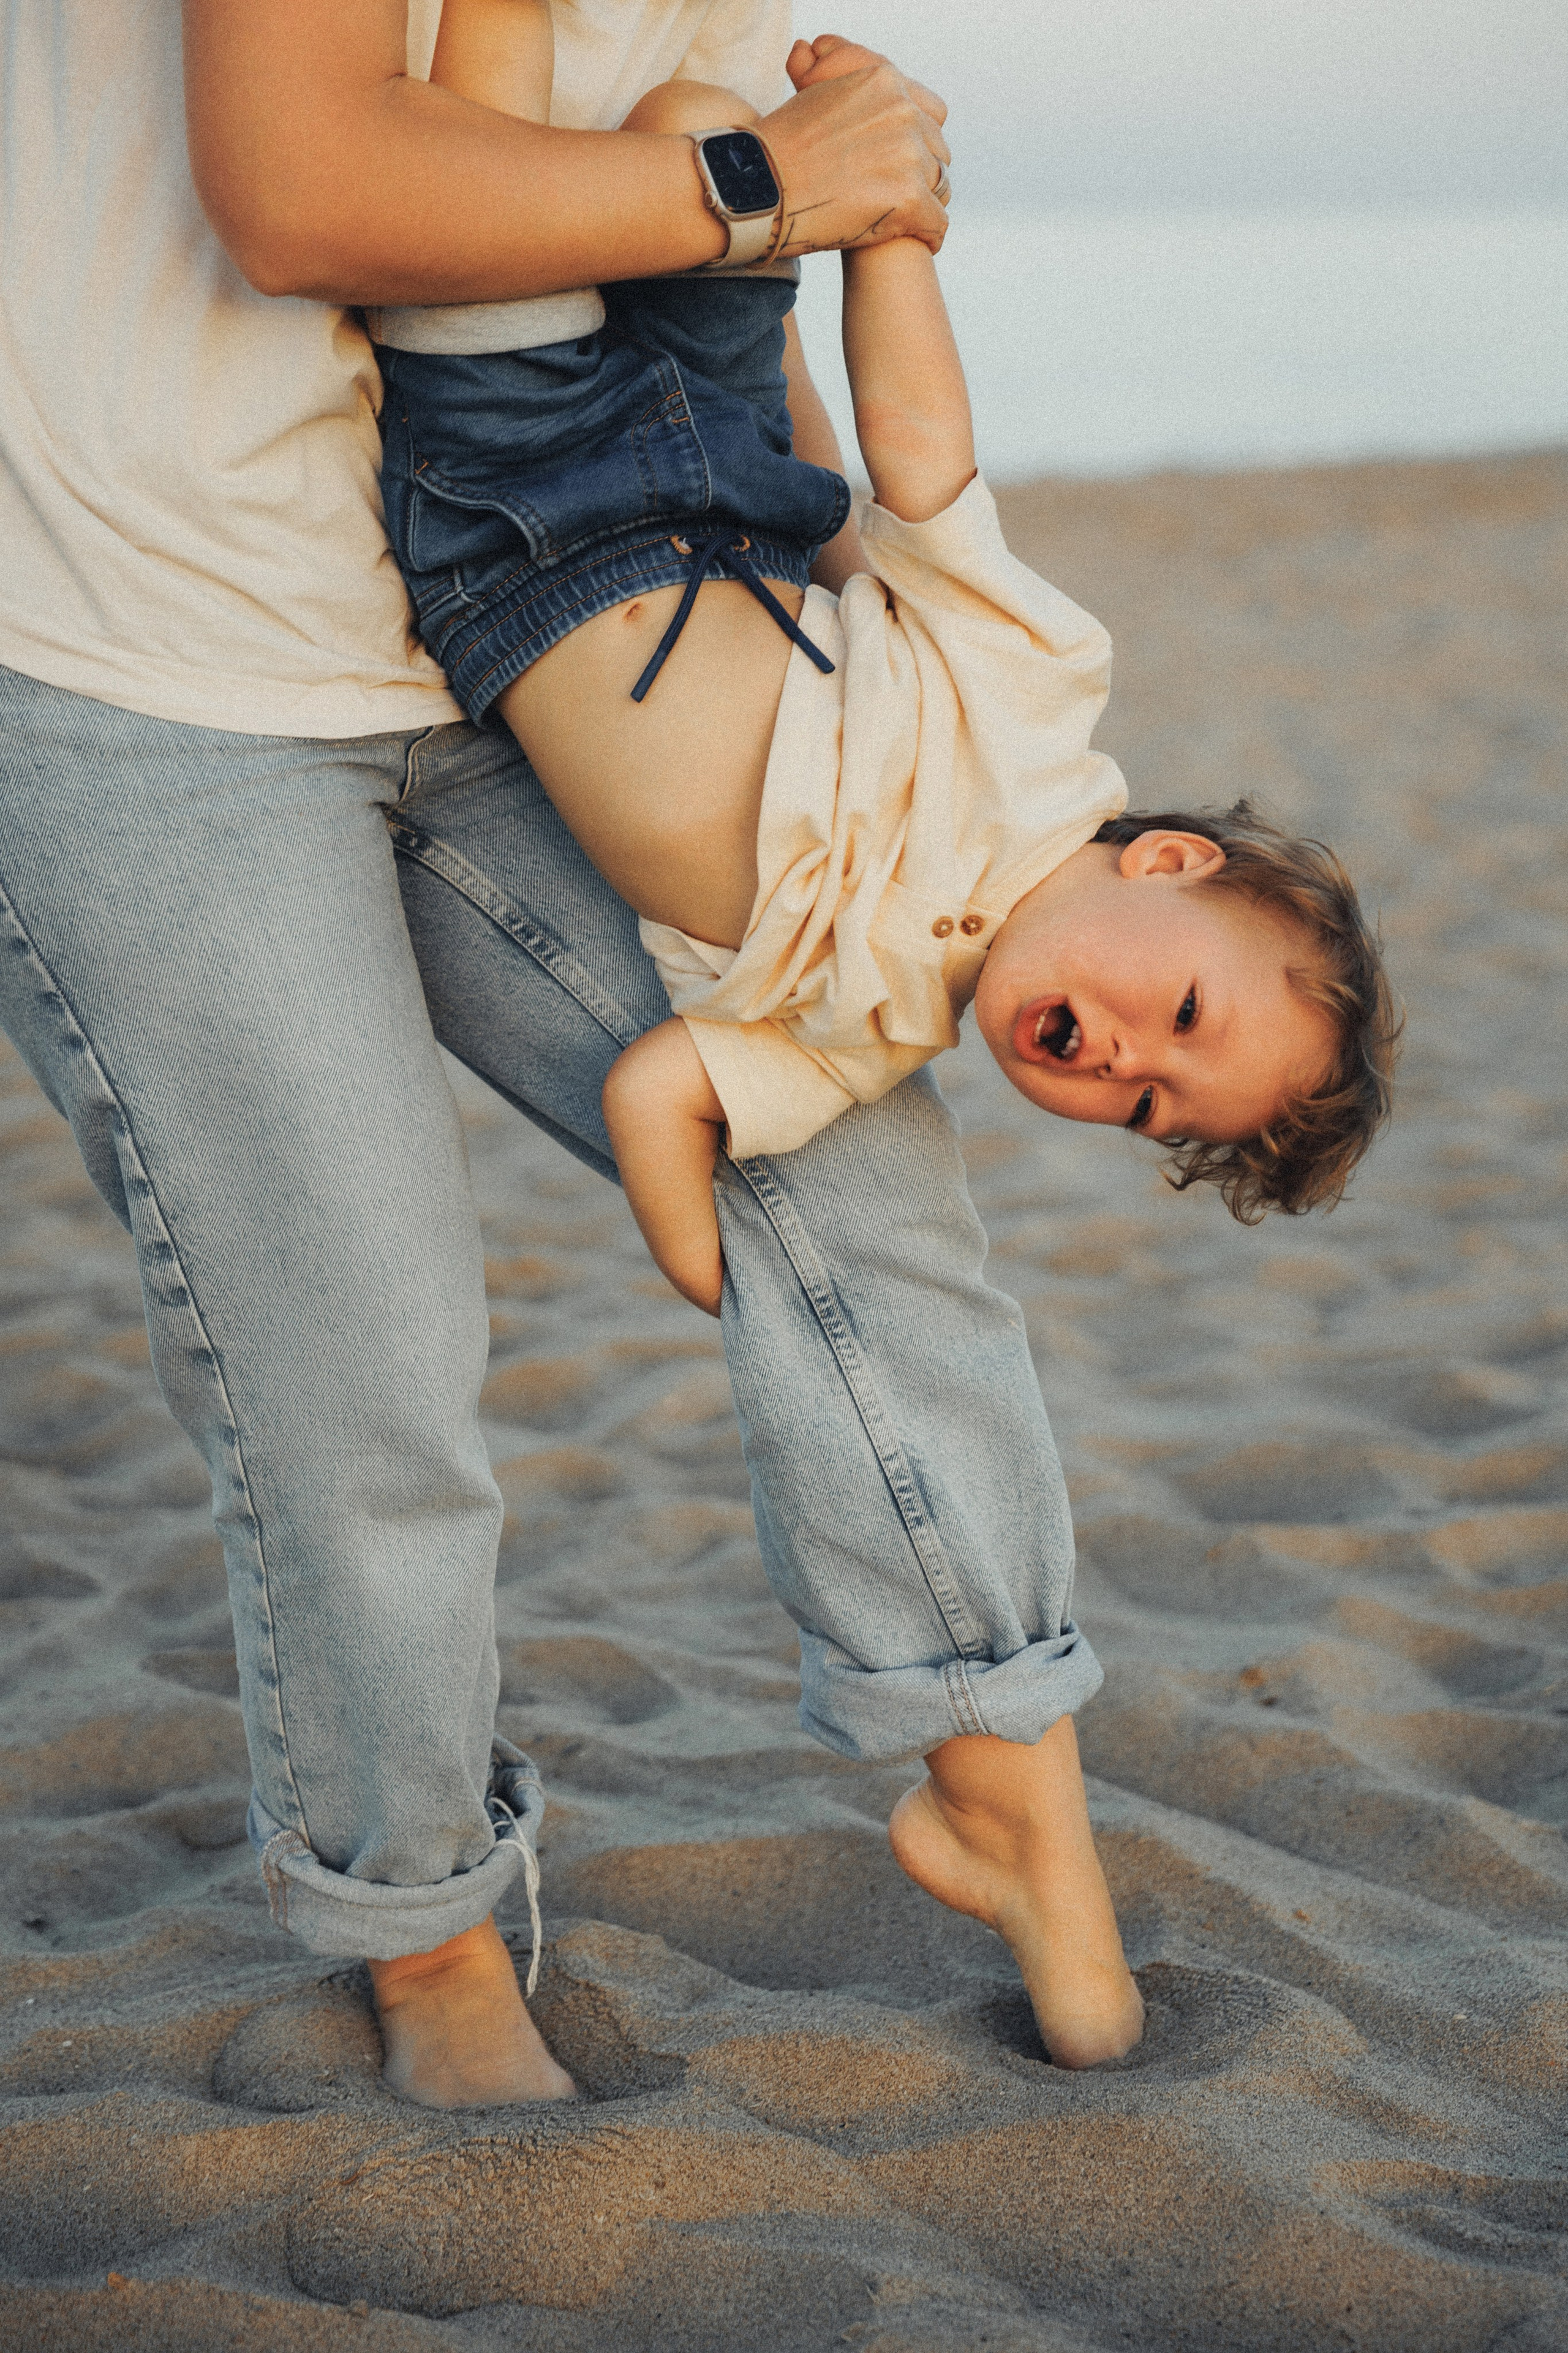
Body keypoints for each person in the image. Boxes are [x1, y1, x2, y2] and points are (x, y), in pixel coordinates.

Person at [0, 0, 1153, 2116]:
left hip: (521, 628)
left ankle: (1012, 1777)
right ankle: (424, 1923)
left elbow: (709, 289)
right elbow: (303, 189)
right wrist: (781, 187)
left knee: (858, 1179)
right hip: (138, 635)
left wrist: (819, 587)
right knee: (356, 1350)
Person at [379, 32, 1398, 1324]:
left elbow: (658, 1089)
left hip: (516, 523)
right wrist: (882, 221)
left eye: (1146, 1107)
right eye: (1186, 1013)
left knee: (475, 170)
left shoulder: (862, 1040)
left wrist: (710, 1273)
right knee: (695, 120)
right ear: (1168, 863)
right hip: (731, 490)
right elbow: (921, 465)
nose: (1130, 1062)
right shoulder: (1034, 706)